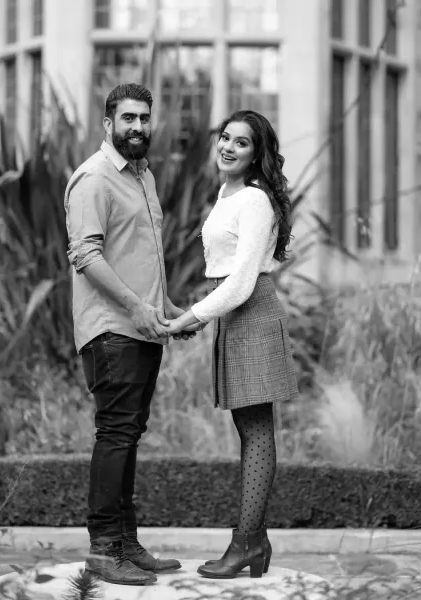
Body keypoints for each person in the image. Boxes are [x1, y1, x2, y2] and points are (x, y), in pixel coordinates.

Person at [64, 83, 193, 587]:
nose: (137, 127)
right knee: (115, 435)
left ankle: (126, 543)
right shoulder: (94, 179)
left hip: (141, 328)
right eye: (128, 119)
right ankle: (103, 550)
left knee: (128, 437)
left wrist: (168, 312)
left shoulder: (144, 177)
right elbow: (86, 254)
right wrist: (139, 309)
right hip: (111, 331)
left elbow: (139, 258)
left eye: (144, 118)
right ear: (108, 123)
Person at [165, 110, 299, 579]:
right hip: (235, 315)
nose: (228, 147)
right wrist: (203, 317)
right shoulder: (228, 193)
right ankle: (254, 542)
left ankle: (245, 544)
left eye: (241, 143)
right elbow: (228, 275)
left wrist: (194, 315)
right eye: (225, 137)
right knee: (249, 430)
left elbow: (242, 281)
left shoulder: (256, 201)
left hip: (252, 312)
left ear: (256, 154)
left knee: (257, 430)